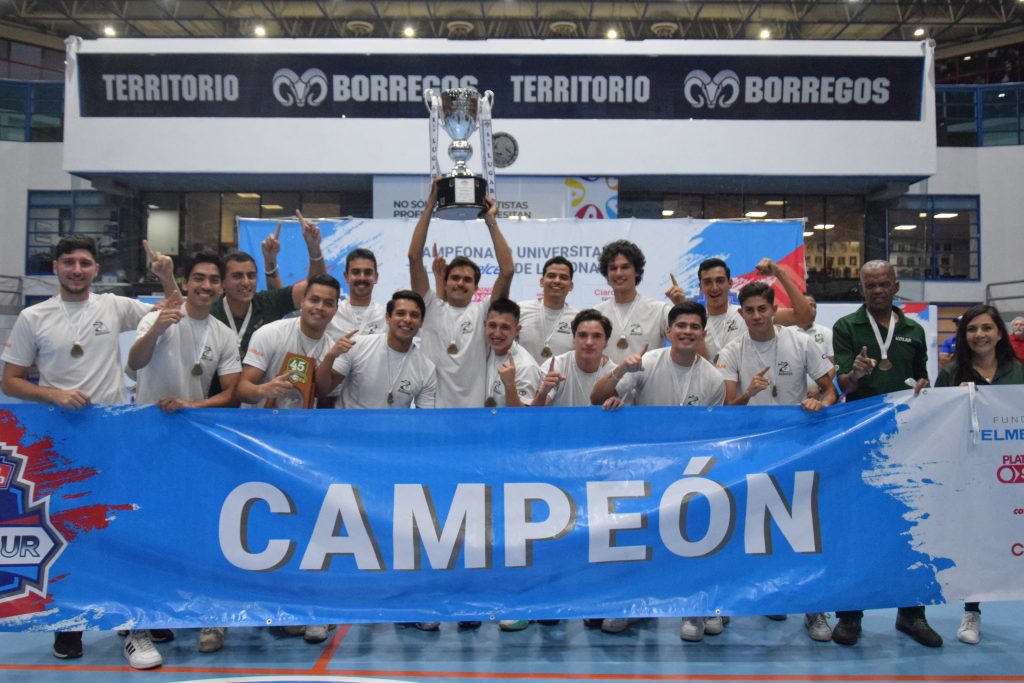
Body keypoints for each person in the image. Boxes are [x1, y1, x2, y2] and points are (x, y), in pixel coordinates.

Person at [1, 236, 178, 669]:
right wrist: (53, 395)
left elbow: (173, 310)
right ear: (56, 267)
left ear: (96, 269)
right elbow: (11, 381)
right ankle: (70, 620)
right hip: (58, 443)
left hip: (113, 438)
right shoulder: (32, 316)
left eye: (84, 263)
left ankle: (131, 626)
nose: (76, 270)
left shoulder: (113, 306)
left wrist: (166, 274)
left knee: (119, 527)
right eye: (68, 263)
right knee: (65, 531)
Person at [590, 301, 725, 637]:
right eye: (681, 326)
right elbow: (597, 397)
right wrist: (621, 371)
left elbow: (715, 436)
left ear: (703, 333)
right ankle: (634, 605)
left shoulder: (712, 377)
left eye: (694, 327)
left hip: (690, 471)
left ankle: (694, 609)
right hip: (644, 469)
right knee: (640, 540)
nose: (687, 332)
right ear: (669, 330)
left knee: (694, 539)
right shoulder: (647, 362)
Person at [715, 281, 836, 643]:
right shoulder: (732, 349)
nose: (755, 316)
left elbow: (831, 389)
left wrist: (821, 404)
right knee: (739, 529)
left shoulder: (801, 342)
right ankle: (723, 606)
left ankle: (814, 609)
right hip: (748, 452)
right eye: (748, 310)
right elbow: (726, 408)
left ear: (773, 309)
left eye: (761, 309)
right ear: (741, 313)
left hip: (795, 449)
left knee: (801, 530)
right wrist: (749, 393)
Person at [831, 260, 937, 648]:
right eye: (869, 285)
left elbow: (922, 377)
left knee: (911, 525)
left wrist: (924, 385)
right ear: (861, 289)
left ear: (895, 286)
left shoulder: (913, 330)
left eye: (883, 284)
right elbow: (841, 384)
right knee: (856, 526)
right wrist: (855, 374)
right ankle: (849, 615)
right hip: (859, 442)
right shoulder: (847, 327)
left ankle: (912, 614)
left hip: (908, 440)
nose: (877, 290)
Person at [235, 273, 341, 643]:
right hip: (258, 446)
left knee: (307, 531)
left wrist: (328, 360)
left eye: (328, 303)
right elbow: (243, 388)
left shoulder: (334, 344)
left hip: (303, 451)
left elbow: (325, 395)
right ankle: (267, 607)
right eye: (315, 300)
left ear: (335, 308)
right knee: (265, 532)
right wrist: (267, 388)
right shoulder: (271, 334)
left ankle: (310, 609)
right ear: (303, 301)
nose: (320, 308)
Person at [935, 304, 1024, 645]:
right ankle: (972, 611)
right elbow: (937, 419)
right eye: (972, 330)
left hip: (1011, 472)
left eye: (986, 328)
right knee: (975, 539)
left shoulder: (1017, 372)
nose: (979, 335)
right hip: (969, 472)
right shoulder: (952, 372)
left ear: (999, 333)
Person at [407, 179, 513, 408]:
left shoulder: (485, 312)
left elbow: (507, 271)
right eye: (455, 278)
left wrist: (491, 222)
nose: (460, 283)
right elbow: (414, 257)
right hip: (431, 412)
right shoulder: (430, 306)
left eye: (467, 280)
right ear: (444, 282)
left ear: (476, 287)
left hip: (473, 414)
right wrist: (430, 206)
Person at [128, 251, 241, 413]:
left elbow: (233, 393)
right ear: (185, 284)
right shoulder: (154, 320)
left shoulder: (225, 335)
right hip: (149, 421)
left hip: (191, 424)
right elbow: (135, 363)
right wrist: (155, 332)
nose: (206, 286)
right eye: (199, 278)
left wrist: (191, 404)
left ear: (221, 287)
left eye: (214, 280)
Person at [211, 212, 325, 357]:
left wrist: (314, 249)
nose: (246, 282)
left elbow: (316, 286)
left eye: (251, 276)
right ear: (223, 282)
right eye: (237, 276)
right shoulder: (210, 311)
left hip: (263, 380)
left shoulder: (267, 303)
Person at [316, 290, 437, 410]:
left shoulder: (427, 368)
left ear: (421, 322)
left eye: (414, 315)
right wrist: (330, 357)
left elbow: (425, 418)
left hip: (394, 429)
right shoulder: (358, 345)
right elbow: (321, 390)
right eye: (400, 313)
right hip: (349, 427)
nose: (407, 319)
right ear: (388, 317)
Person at [699, 257, 813, 363]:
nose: (714, 288)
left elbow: (804, 316)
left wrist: (779, 273)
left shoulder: (748, 313)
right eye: (707, 282)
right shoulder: (694, 323)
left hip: (751, 384)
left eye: (720, 281)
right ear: (700, 287)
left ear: (730, 284)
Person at [594, 240, 676, 364]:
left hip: (648, 383)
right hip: (608, 382)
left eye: (625, 267)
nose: (619, 273)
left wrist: (681, 306)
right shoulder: (596, 314)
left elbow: (686, 343)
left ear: (637, 271)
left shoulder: (659, 310)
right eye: (613, 268)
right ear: (606, 273)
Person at [532, 309, 619, 408]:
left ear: (606, 341)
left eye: (596, 336)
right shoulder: (556, 365)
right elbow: (534, 416)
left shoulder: (615, 373)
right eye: (582, 335)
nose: (589, 342)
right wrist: (543, 393)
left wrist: (615, 407)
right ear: (574, 338)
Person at [481, 298, 543, 409]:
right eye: (492, 325)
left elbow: (523, 418)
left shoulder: (526, 366)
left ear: (517, 330)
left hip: (508, 426)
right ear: (485, 325)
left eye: (505, 327)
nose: (497, 333)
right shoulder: (486, 350)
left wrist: (510, 385)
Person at [517, 256, 578, 364]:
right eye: (551, 276)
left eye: (563, 277)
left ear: (571, 286)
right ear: (542, 281)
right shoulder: (520, 310)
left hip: (561, 380)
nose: (557, 281)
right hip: (523, 379)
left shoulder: (578, 319)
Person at [328, 248, 386, 339]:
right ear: (346, 277)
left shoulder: (385, 317)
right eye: (356, 272)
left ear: (376, 277)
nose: (362, 278)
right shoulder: (331, 314)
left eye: (368, 273)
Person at [788, 293, 836, 398]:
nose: (812, 309)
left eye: (814, 306)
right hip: (792, 397)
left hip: (820, 396)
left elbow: (832, 366)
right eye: (808, 306)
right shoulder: (785, 332)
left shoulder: (826, 332)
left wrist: (819, 390)